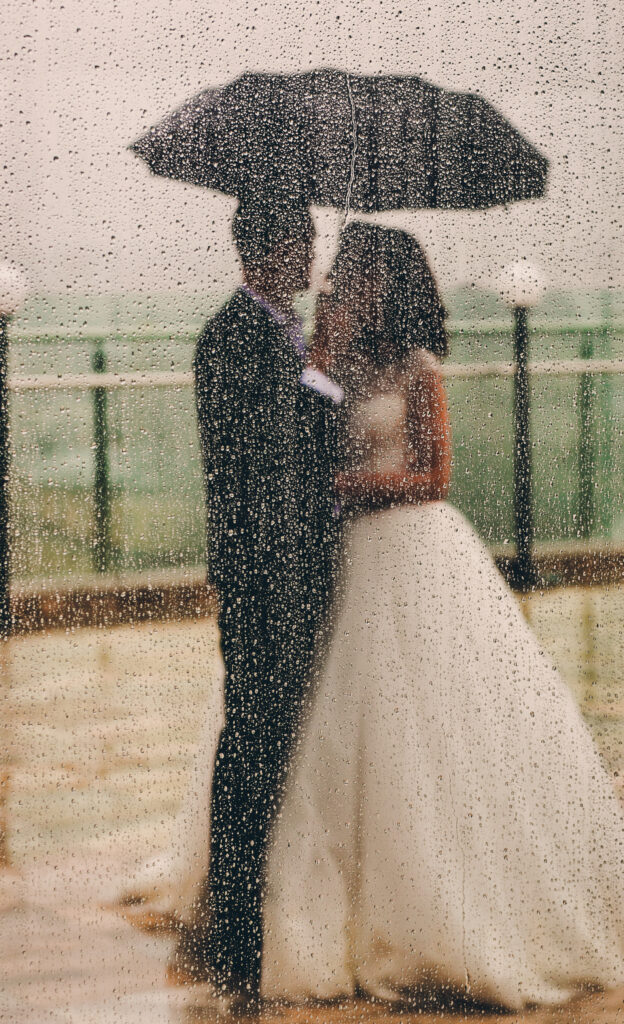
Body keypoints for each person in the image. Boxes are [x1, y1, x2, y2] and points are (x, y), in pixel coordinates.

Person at [258, 222, 624, 1010]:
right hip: (344, 556)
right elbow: (301, 439)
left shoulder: (419, 368)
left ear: (388, 285)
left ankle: (437, 908)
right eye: (338, 275)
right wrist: (322, 354)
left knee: (425, 726)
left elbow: (433, 474)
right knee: (335, 725)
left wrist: (354, 489)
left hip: (411, 549)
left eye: (356, 276)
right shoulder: (333, 363)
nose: (340, 286)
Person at [173, 197, 343, 1002]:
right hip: (265, 574)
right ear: (266, 248)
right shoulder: (234, 336)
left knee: (273, 741)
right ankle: (237, 932)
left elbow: (300, 444)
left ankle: (252, 916)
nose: (312, 258)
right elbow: (256, 473)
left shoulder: (284, 334)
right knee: (252, 744)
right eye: (302, 242)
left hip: (296, 569)